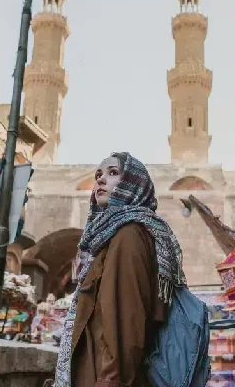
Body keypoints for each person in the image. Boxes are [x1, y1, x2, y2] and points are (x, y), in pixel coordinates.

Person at [53, 152, 187, 387]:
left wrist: (110, 381)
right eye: (99, 175)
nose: (101, 180)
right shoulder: (112, 237)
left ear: (133, 184)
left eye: (113, 173)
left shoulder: (128, 236)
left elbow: (126, 322)